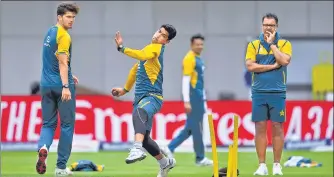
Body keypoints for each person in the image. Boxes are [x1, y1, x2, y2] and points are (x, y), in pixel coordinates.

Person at [111, 24, 177, 177]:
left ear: (166, 42)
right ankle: (164, 163)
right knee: (146, 139)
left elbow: (140, 55)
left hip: (152, 97)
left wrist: (122, 48)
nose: (158, 35)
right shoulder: (149, 52)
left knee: (139, 112)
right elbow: (135, 70)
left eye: (163, 36)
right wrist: (125, 90)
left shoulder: (156, 48)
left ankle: (136, 149)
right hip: (142, 97)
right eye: (159, 32)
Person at [245, 13, 292, 176]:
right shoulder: (253, 44)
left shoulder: (284, 43)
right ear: (262, 26)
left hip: (278, 92)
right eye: (265, 25)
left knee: (277, 127)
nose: (268, 28)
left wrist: (272, 45)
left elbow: (284, 61)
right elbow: (250, 67)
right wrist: (272, 67)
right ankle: (262, 165)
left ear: (276, 27)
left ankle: (277, 165)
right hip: (258, 92)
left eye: (271, 25)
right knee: (260, 128)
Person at [36, 3, 80, 176]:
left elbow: (54, 59)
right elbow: (62, 63)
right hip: (61, 86)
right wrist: (66, 85)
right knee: (67, 125)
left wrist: (70, 73)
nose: (71, 20)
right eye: (68, 17)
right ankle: (61, 167)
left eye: (73, 17)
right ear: (59, 17)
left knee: (48, 124)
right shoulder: (64, 36)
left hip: (45, 85)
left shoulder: (50, 32)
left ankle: (43, 148)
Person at [161, 34, 213, 166]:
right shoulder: (189, 58)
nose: (200, 46)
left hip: (199, 97)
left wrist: (204, 99)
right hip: (193, 96)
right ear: (192, 45)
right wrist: (186, 100)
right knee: (196, 128)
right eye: (197, 44)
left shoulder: (198, 58)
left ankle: (170, 148)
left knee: (192, 128)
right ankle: (200, 158)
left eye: (202, 44)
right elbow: (186, 80)